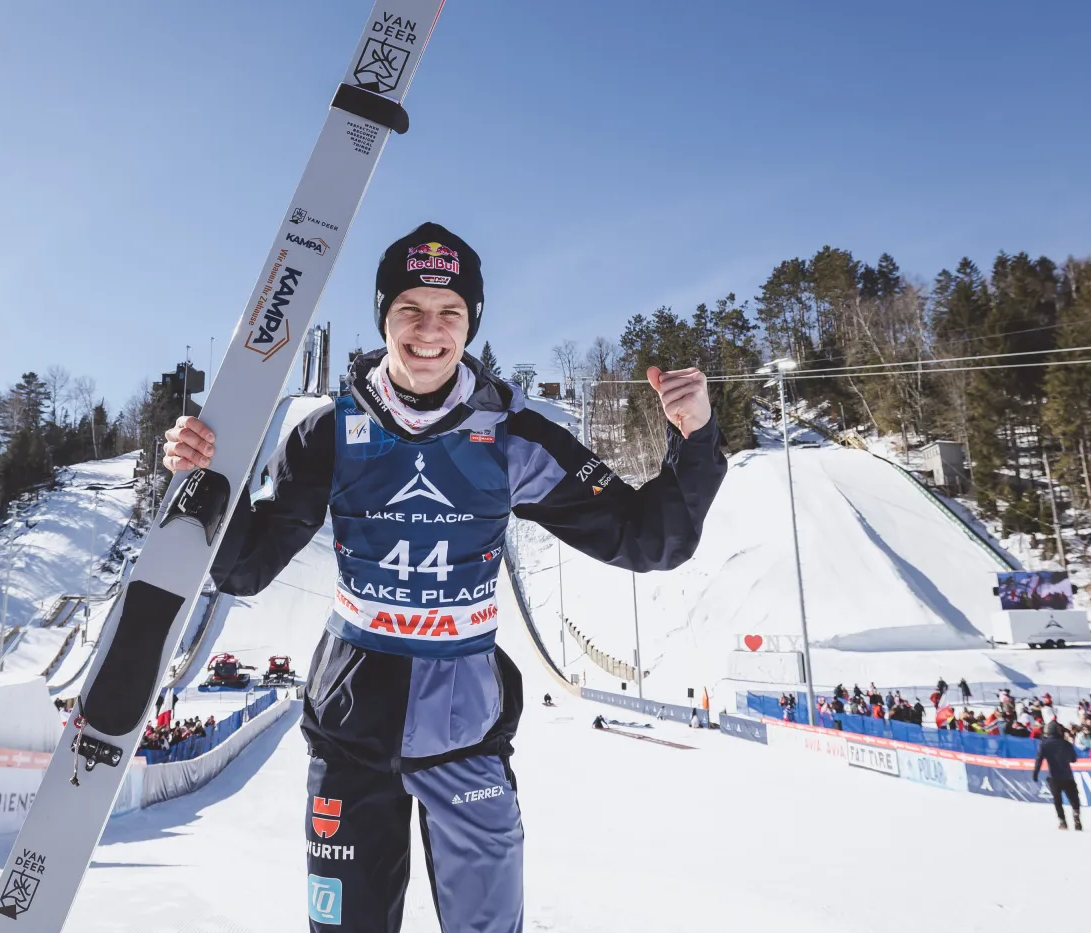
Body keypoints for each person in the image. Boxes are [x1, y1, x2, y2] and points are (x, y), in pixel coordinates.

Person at [165, 222, 726, 933]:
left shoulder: (513, 436)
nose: (429, 331)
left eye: (450, 313)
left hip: (465, 740)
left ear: (472, 323)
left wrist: (695, 437)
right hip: (350, 738)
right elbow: (246, 566)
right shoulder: (330, 432)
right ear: (384, 317)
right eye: (410, 310)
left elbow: (650, 539)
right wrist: (206, 477)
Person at [1033, 721, 1082, 830]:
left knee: (1057, 800)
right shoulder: (1066, 744)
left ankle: (1062, 822)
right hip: (1067, 776)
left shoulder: (1044, 744)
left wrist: (1035, 773)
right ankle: (1076, 818)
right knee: (1074, 799)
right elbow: (1073, 759)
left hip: (1053, 777)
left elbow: (1039, 760)